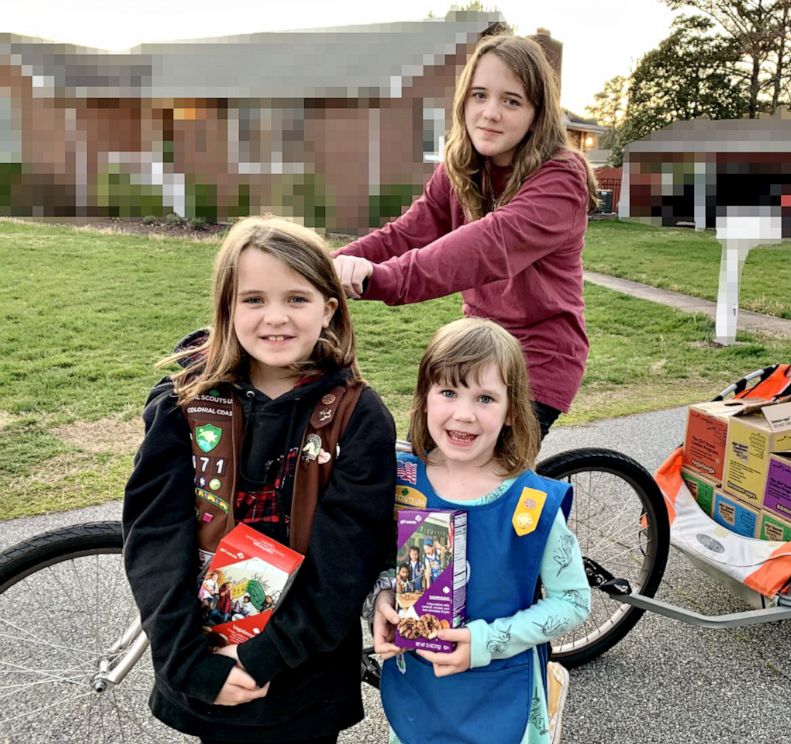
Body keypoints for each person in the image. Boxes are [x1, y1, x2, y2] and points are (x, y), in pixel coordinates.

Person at [122, 215, 396, 744]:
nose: (276, 318)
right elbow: (154, 538)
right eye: (254, 300)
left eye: (297, 299)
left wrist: (259, 657)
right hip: (204, 660)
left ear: (329, 309)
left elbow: (345, 564)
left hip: (301, 679)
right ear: (227, 307)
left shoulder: (356, 418)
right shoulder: (185, 400)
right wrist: (189, 661)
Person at [333, 34, 599, 439]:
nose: (490, 113)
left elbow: (487, 245)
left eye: (511, 101)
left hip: (538, 359)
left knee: (482, 478)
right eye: (480, 95)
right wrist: (317, 267)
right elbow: (404, 234)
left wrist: (378, 278)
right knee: (428, 459)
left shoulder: (562, 177)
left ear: (536, 113)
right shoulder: (461, 167)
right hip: (478, 348)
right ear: (464, 101)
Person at [372, 318, 591, 744]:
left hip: (502, 696)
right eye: (449, 392)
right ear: (424, 399)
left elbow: (574, 602)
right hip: (419, 689)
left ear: (512, 412)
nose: (464, 414)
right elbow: (384, 564)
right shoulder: (401, 483)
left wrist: (486, 640)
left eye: (486, 398)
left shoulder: (531, 504)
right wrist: (382, 598)